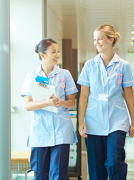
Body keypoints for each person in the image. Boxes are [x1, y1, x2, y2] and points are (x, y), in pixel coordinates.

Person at [77, 24, 134, 180]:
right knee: (96, 168)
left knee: (114, 161)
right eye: (95, 39)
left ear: (111, 39)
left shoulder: (123, 66)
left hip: (117, 119)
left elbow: (129, 95)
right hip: (93, 120)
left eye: (100, 39)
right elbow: (83, 95)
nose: (97, 42)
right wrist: (80, 121)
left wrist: (133, 122)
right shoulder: (89, 65)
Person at [21, 38, 78, 180]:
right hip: (40, 132)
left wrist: (60, 102)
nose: (57, 54)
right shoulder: (31, 77)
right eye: (53, 52)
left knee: (58, 174)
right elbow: (28, 105)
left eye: (58, 51)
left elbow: (71, 103)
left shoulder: (65, 74)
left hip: (61, 131)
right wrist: (46, 103)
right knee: (40, 174)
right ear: (42, 55)